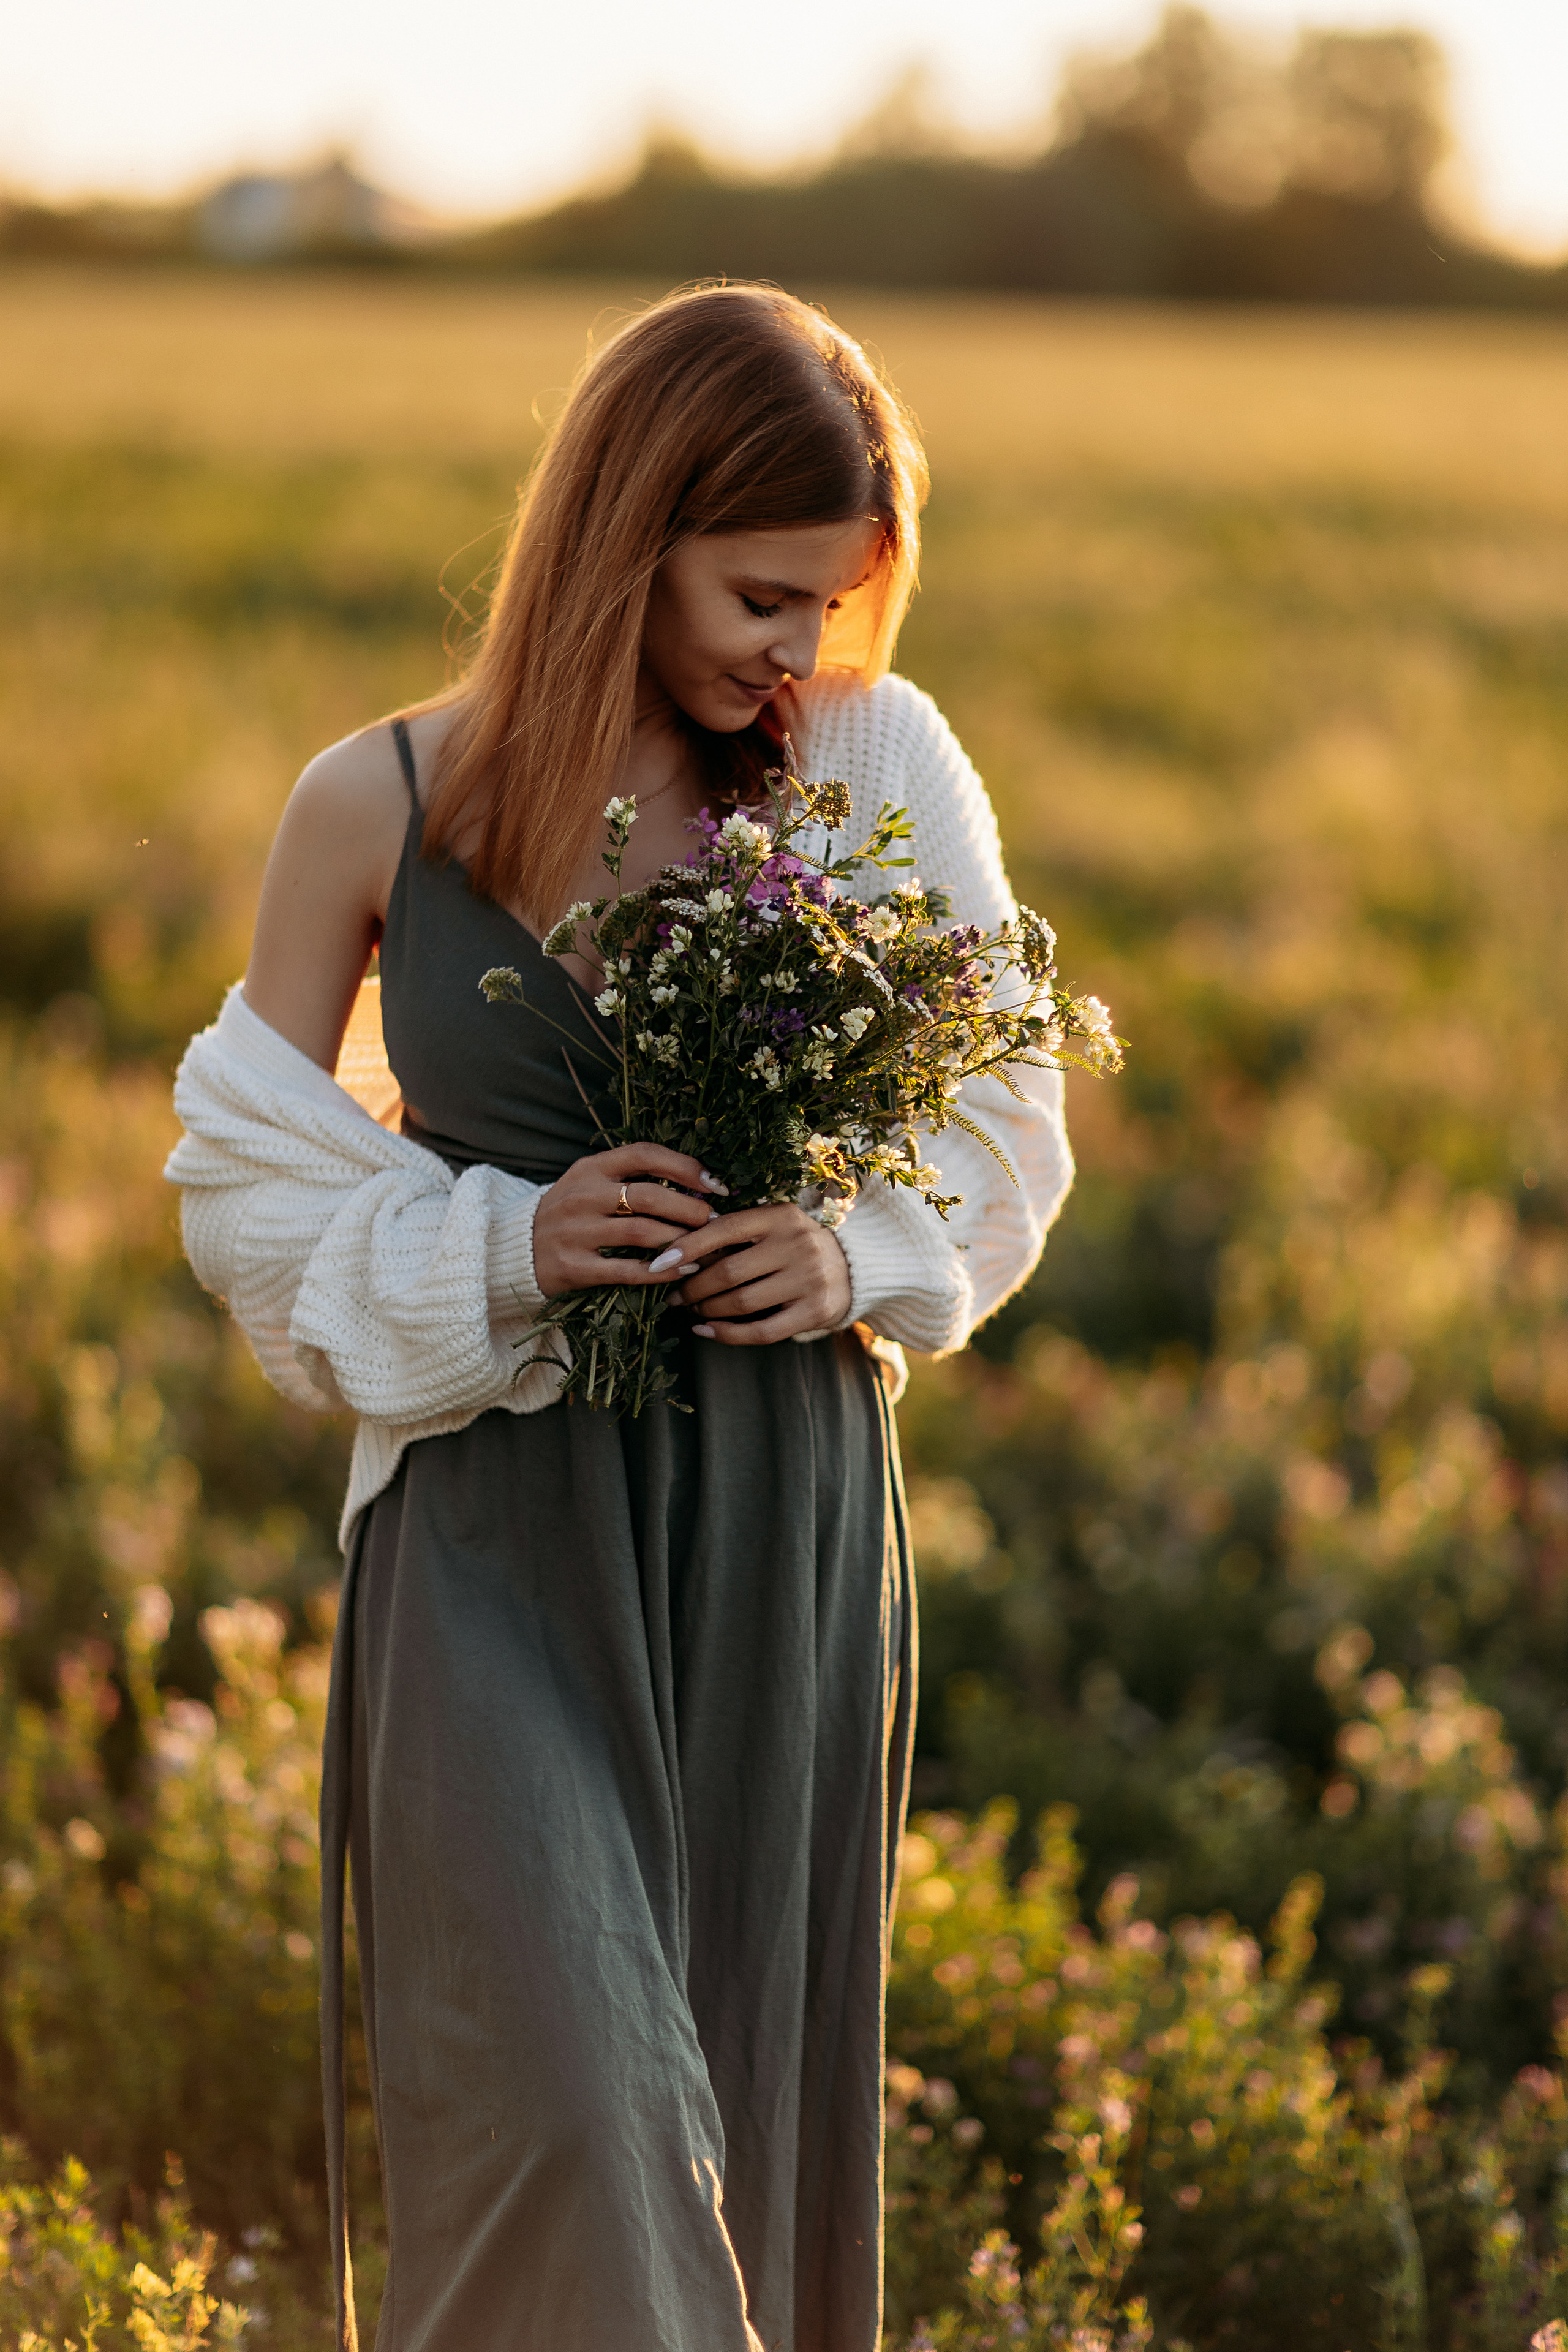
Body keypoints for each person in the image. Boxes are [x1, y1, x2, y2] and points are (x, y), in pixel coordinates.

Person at [165, 283, 1073, 2352]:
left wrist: (849, 1250)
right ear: (625, 527)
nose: (802, 651)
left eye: (833, 604)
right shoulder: (367, 806)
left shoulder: (869, 757)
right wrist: (504, 1244)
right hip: (487, 1536)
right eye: (763, 595)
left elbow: (1010, 1115)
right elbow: (249, 1196)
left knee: (742, 2117)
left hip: (778, 1517)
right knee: (573, 2112)